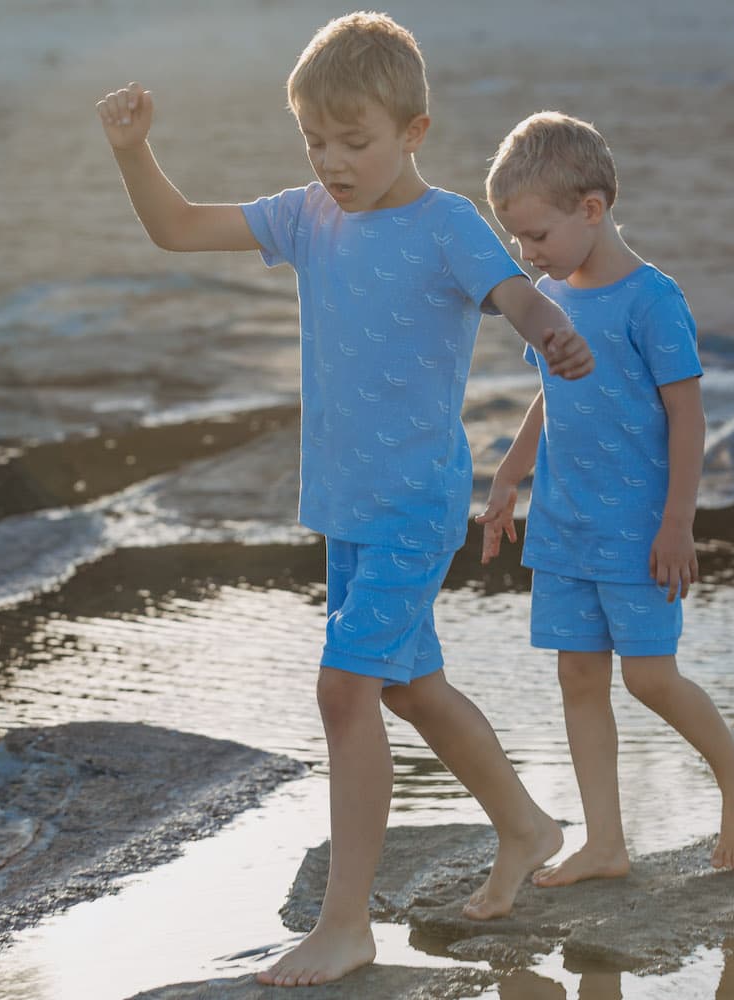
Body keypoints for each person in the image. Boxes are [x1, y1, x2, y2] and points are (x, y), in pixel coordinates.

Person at [96, 14, 594, 988]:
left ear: (411, 130)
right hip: (347, 505)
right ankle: (529, 826)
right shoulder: (305, 215)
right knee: (407, 687)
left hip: (415, 500)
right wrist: (133, 149)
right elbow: (177, 226)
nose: (330, 160)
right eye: (314, 140)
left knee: (342, 689)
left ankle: (345, 924)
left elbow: (515, 294)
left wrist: (553, 334)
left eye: (353, 141)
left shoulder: (447, 221)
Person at [477, 111, 734, 889]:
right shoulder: (545, 296)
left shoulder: (653, 300)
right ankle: (605, 841)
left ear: (592, 209)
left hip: (639, 527)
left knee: (649, 676)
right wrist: (510, 474)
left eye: (536, 236)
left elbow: (687, 414)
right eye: (515, 240)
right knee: (578, 677)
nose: (526, 254)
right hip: (565, 524)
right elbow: (553, 394)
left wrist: (678, 524)